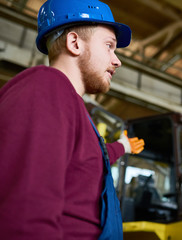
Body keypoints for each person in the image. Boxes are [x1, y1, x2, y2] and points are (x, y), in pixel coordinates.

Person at [0, 0, 144, 239]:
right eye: (109, 46)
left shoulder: (73, 107)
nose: (117, 60)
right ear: (75, 43)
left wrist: (123, 147)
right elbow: (25, 217)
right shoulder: (47, 87)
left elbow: (92, 158)